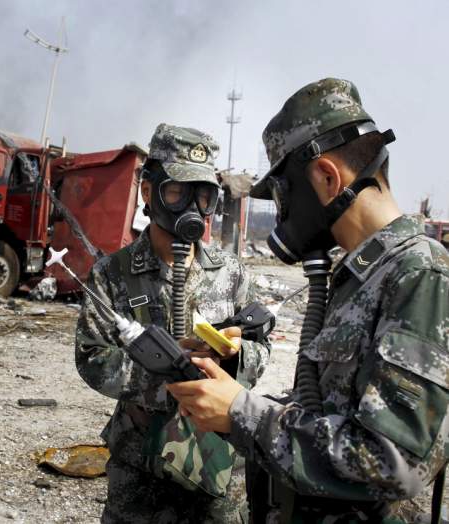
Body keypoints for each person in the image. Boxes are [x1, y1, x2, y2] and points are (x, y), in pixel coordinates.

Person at [168, 78, 449, 523]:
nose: (282, 213)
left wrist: (241, 413)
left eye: (282, 194)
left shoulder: (420, 275)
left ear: (325, 176)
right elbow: (331, 410)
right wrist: (232, 391)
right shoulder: (362, 274)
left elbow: (394, 462)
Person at [75, 123, 270, 523]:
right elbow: (92, 357)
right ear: (149, 192)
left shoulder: (231, 272)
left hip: (216, 465)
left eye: (203, 195)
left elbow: (260, 348)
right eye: (178, 192)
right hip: (141, 467)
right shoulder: (113, 273)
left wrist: (232, 358)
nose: (191, 208)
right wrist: (168, 379)